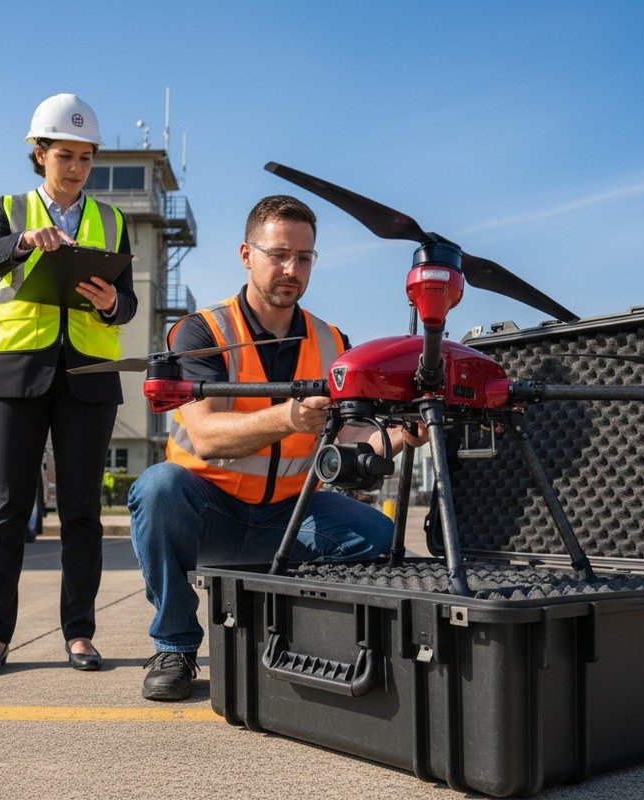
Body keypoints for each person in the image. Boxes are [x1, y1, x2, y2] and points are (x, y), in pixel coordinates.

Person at [128, 195, 425, 701]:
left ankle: (297, 626)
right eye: (279, 254)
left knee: (379, 536)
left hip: (289, 514)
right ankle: (175, 646)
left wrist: (398, 437)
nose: (292, 269)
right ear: (247, 254)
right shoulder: (201, 333)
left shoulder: (334, 341)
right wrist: (289, 414)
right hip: (209, 513)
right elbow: (206, 436)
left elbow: (350, 441)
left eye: (305, 258)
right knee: (157, 488)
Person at [0, 93, 137, 676]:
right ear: (39, 155)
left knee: (83, 512)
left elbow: (130, 300)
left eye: (86, 157)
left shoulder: (112, 221)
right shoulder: (10, 208)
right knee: (7, 508)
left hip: (88, 376)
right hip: (16, 373)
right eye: (65, 155)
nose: (76, 168)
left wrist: (115, 303)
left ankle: (80, 633)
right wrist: (22, 243)